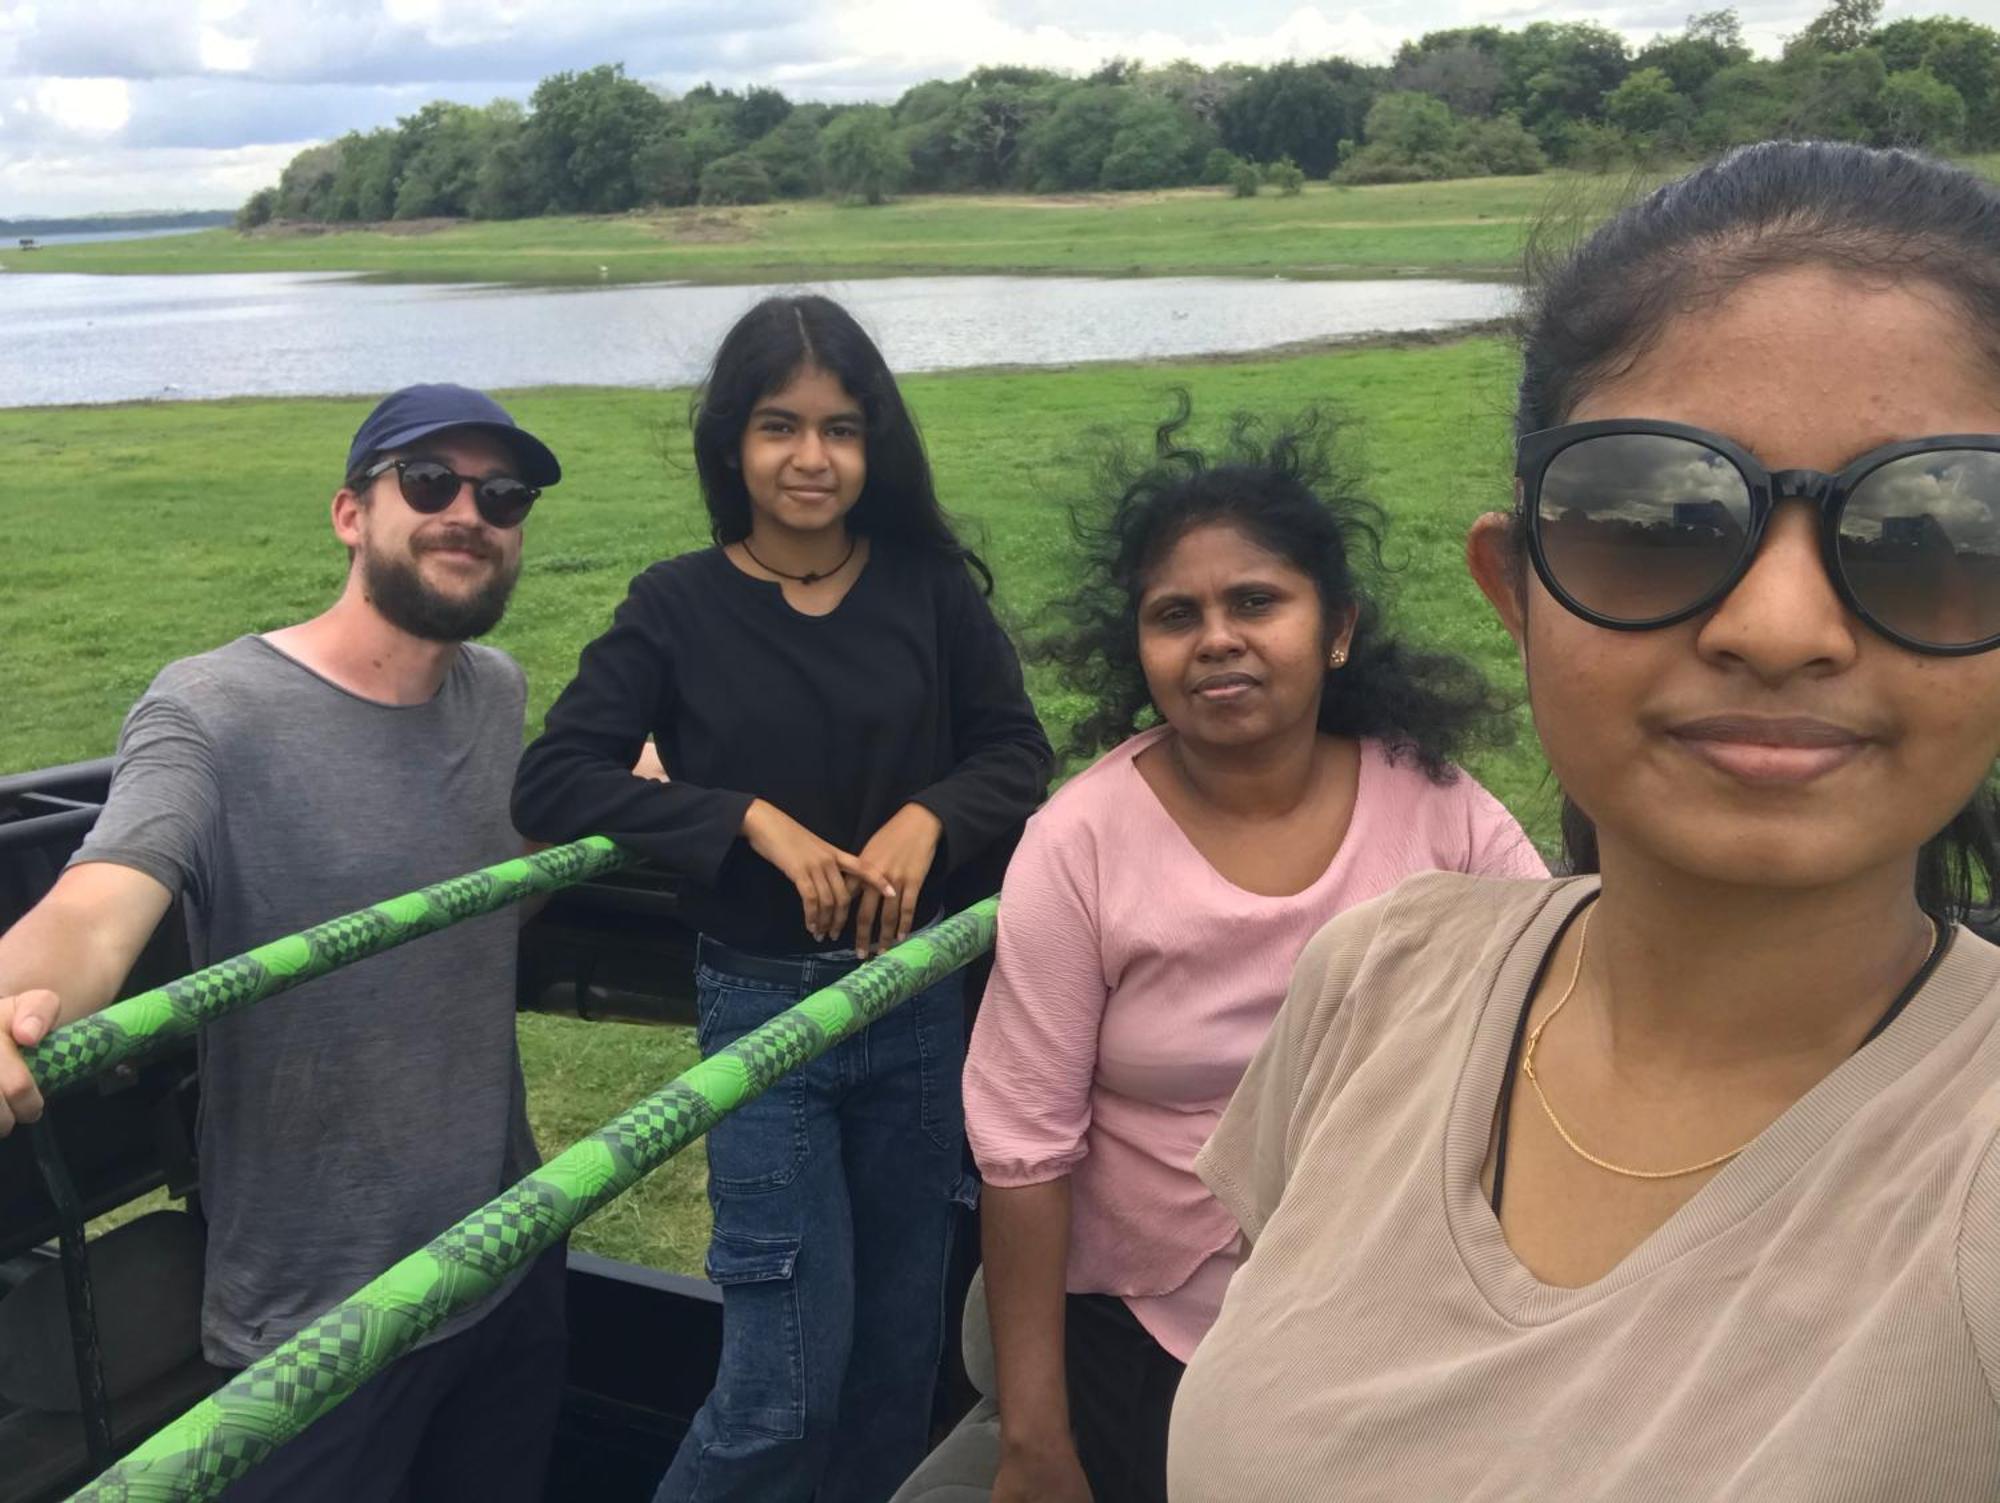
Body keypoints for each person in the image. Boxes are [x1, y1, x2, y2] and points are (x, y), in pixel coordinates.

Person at [1168, 141, 2000, 1502]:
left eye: (1933, 534)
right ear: (1519, 586)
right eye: (1658, 519)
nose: (1778, 627)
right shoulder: (1378, 981)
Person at [511, 294, 1052, 1503]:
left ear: (874, 445)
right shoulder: (674, 604)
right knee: (780, 1391)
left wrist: (929, 817)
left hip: (915, 1010)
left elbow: (1016, 753)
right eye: (778, 426)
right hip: (760, 1019)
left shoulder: (924, 588)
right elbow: (557, 772)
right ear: (731, 445)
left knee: (889, 1375)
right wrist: (741, 816)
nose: (811, 458)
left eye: (841, 428)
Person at [961, 408, 1545, 1503]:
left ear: (1335, 629)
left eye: (1255, 602)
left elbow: (1562, 1006)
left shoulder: (1438, 811)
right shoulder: (1076, 843)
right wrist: (1034, 1441)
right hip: (1141, 1337)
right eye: (1174, 614)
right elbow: (1023, 1156)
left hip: (1393, 1315)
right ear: (1137, 648)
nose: (1215, 637)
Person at [0, 384, 568, 1500]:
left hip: (506, 1254)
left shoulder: (495, 695)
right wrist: (18, 994)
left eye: (502, 494)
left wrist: (602, 809)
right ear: (350, 513)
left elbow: (482, 900)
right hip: (317, 1313)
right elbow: (105, 893)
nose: (470, 512)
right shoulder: (214, 707)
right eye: (430, 482)